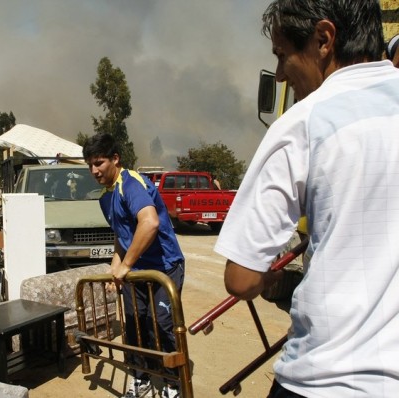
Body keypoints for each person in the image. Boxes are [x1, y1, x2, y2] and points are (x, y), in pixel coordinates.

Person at [214, 1, 399, 397]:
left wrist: (273, 278)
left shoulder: (303, 122)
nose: (280, 76)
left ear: (324, 39)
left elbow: (241, 278)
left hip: (325, 380)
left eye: (282, 56)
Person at [83, 133, 185, 398]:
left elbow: (149, 223)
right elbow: (123, 234)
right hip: (136, 272)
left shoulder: (132, 184)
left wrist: (125, 264)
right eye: (90, 165)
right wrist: (115, 267)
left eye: (99, 162)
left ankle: (173, 383)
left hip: (164, 267)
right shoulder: (105, 197)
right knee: (134, 325)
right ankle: (141, 379)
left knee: (161, 324)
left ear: (115, 159)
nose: (94, 170)